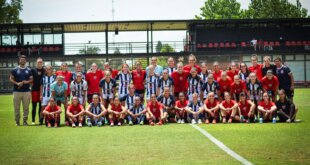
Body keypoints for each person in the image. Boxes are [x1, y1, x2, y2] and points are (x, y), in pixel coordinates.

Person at [9, 55, 33, 126]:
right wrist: (17, 83)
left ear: (25, 61)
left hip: (26, 92)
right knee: (16, 108)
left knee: (26, 108)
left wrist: (26, 82)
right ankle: (17, 121)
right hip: (16, 91)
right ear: (19, 61)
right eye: (21, 60)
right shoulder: (14, 70)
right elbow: (11, 79)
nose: (22, 61)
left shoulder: (29, 70)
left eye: (24, 60)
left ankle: (25, 121)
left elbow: (31, 79)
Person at [31, 57, 45, 125]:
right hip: (34, 90)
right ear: (36, 63)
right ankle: (33, 120)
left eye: (41, 62)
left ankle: (40, 120)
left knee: (41, 106)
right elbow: (30, 79)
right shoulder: (33, 70)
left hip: (42, 91)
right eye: (38, 62)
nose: (40, 63)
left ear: (42, 63)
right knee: (34, 106)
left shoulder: (44, 70)